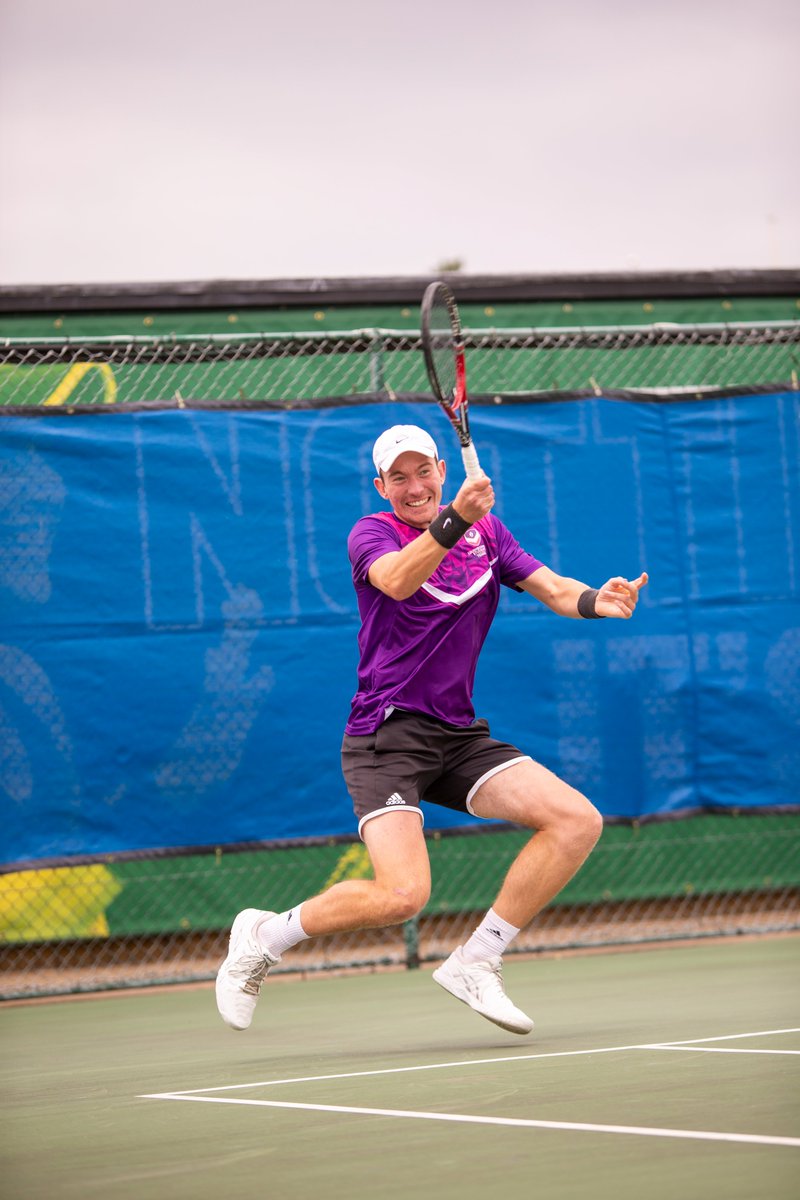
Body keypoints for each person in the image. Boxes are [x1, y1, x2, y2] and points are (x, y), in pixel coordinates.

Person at [216, 423, 648, 1036]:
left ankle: (478, 960)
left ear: (442, 471)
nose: (414, 486)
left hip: (457, 734)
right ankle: (263, 935)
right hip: (385, 736)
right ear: (382, 485)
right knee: (402, 897)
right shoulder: (372, 533)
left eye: (424, 472)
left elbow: (551, 587)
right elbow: (395, 580)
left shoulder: (489, 533)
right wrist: (454, 521)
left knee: (577, 820)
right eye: (399, 477)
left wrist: (595, 600)